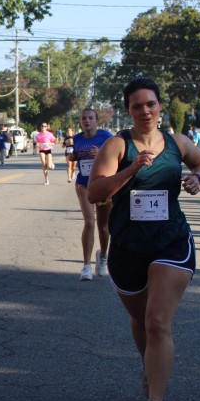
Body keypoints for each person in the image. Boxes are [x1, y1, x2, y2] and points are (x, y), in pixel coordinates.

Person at [87, 77, 200, 401]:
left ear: (160, 106)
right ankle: (149, 367)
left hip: (171, 241)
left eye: (150, 104)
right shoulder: (116, 146)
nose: (145, 111)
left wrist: (198, 178)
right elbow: (95, 192)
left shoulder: (177, 142)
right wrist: (132, 169)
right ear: (128, 110)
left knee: (157, 321)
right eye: (137, 105)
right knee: (140, 320)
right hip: (128, 247)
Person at [72, 108, 113, 281]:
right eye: (84, 118)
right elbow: (72, 156)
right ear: (80, 121)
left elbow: (116, 157)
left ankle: (103, 257)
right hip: (84, 184)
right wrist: (72, 156)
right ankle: (86, 266)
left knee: (103, 226)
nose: (87, 121)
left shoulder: (106, 137)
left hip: (102, 184)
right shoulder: (76, 139)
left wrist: (102, 154)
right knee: (89, 222)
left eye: (90, 118)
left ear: (96, 120)